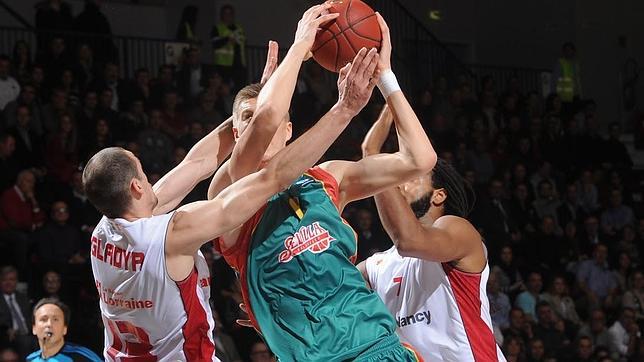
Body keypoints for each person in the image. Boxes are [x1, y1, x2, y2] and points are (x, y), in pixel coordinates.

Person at [85, 12, 374, 359]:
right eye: (145, 175)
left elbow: (196, 163)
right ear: (135, 187)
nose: (152, 182)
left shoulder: (103, 234)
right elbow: (272, 179)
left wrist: (257, 108)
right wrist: (339, 103)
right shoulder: (175, 232)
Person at [212, 10, 431, 361]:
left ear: (289, 130)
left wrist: (386, 78)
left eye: (270, 119)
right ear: (236, 133)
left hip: (378, 345)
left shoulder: (327, 179)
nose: (260, 126)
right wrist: (299, 48)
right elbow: (267, 123)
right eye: (247, 120)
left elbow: (420, 160)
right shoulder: (226, 192)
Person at [357, 105, 505, 360]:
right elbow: (330, 284)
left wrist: (372, 155)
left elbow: (409, 240)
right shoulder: (378, 264)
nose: (399, 181)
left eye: (413, 177)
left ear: (439, 195)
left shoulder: (458, 229)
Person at [27, 298, 101, 361]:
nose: (49, 324)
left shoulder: (84, 357)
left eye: (55, 319)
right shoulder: (30, 359)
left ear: (65, 329)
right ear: (34, 328)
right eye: (44, 319)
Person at [211, 4, 246, 90]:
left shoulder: (239, 28)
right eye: (225, 13)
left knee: (239, 88)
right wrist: (228, 39)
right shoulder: (217, 28)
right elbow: (215, 44)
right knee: (224, 88)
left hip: (239, 63)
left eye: (230, 13)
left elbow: (243, 40)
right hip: (223, 64)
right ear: (221, 15)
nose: (228, 16)